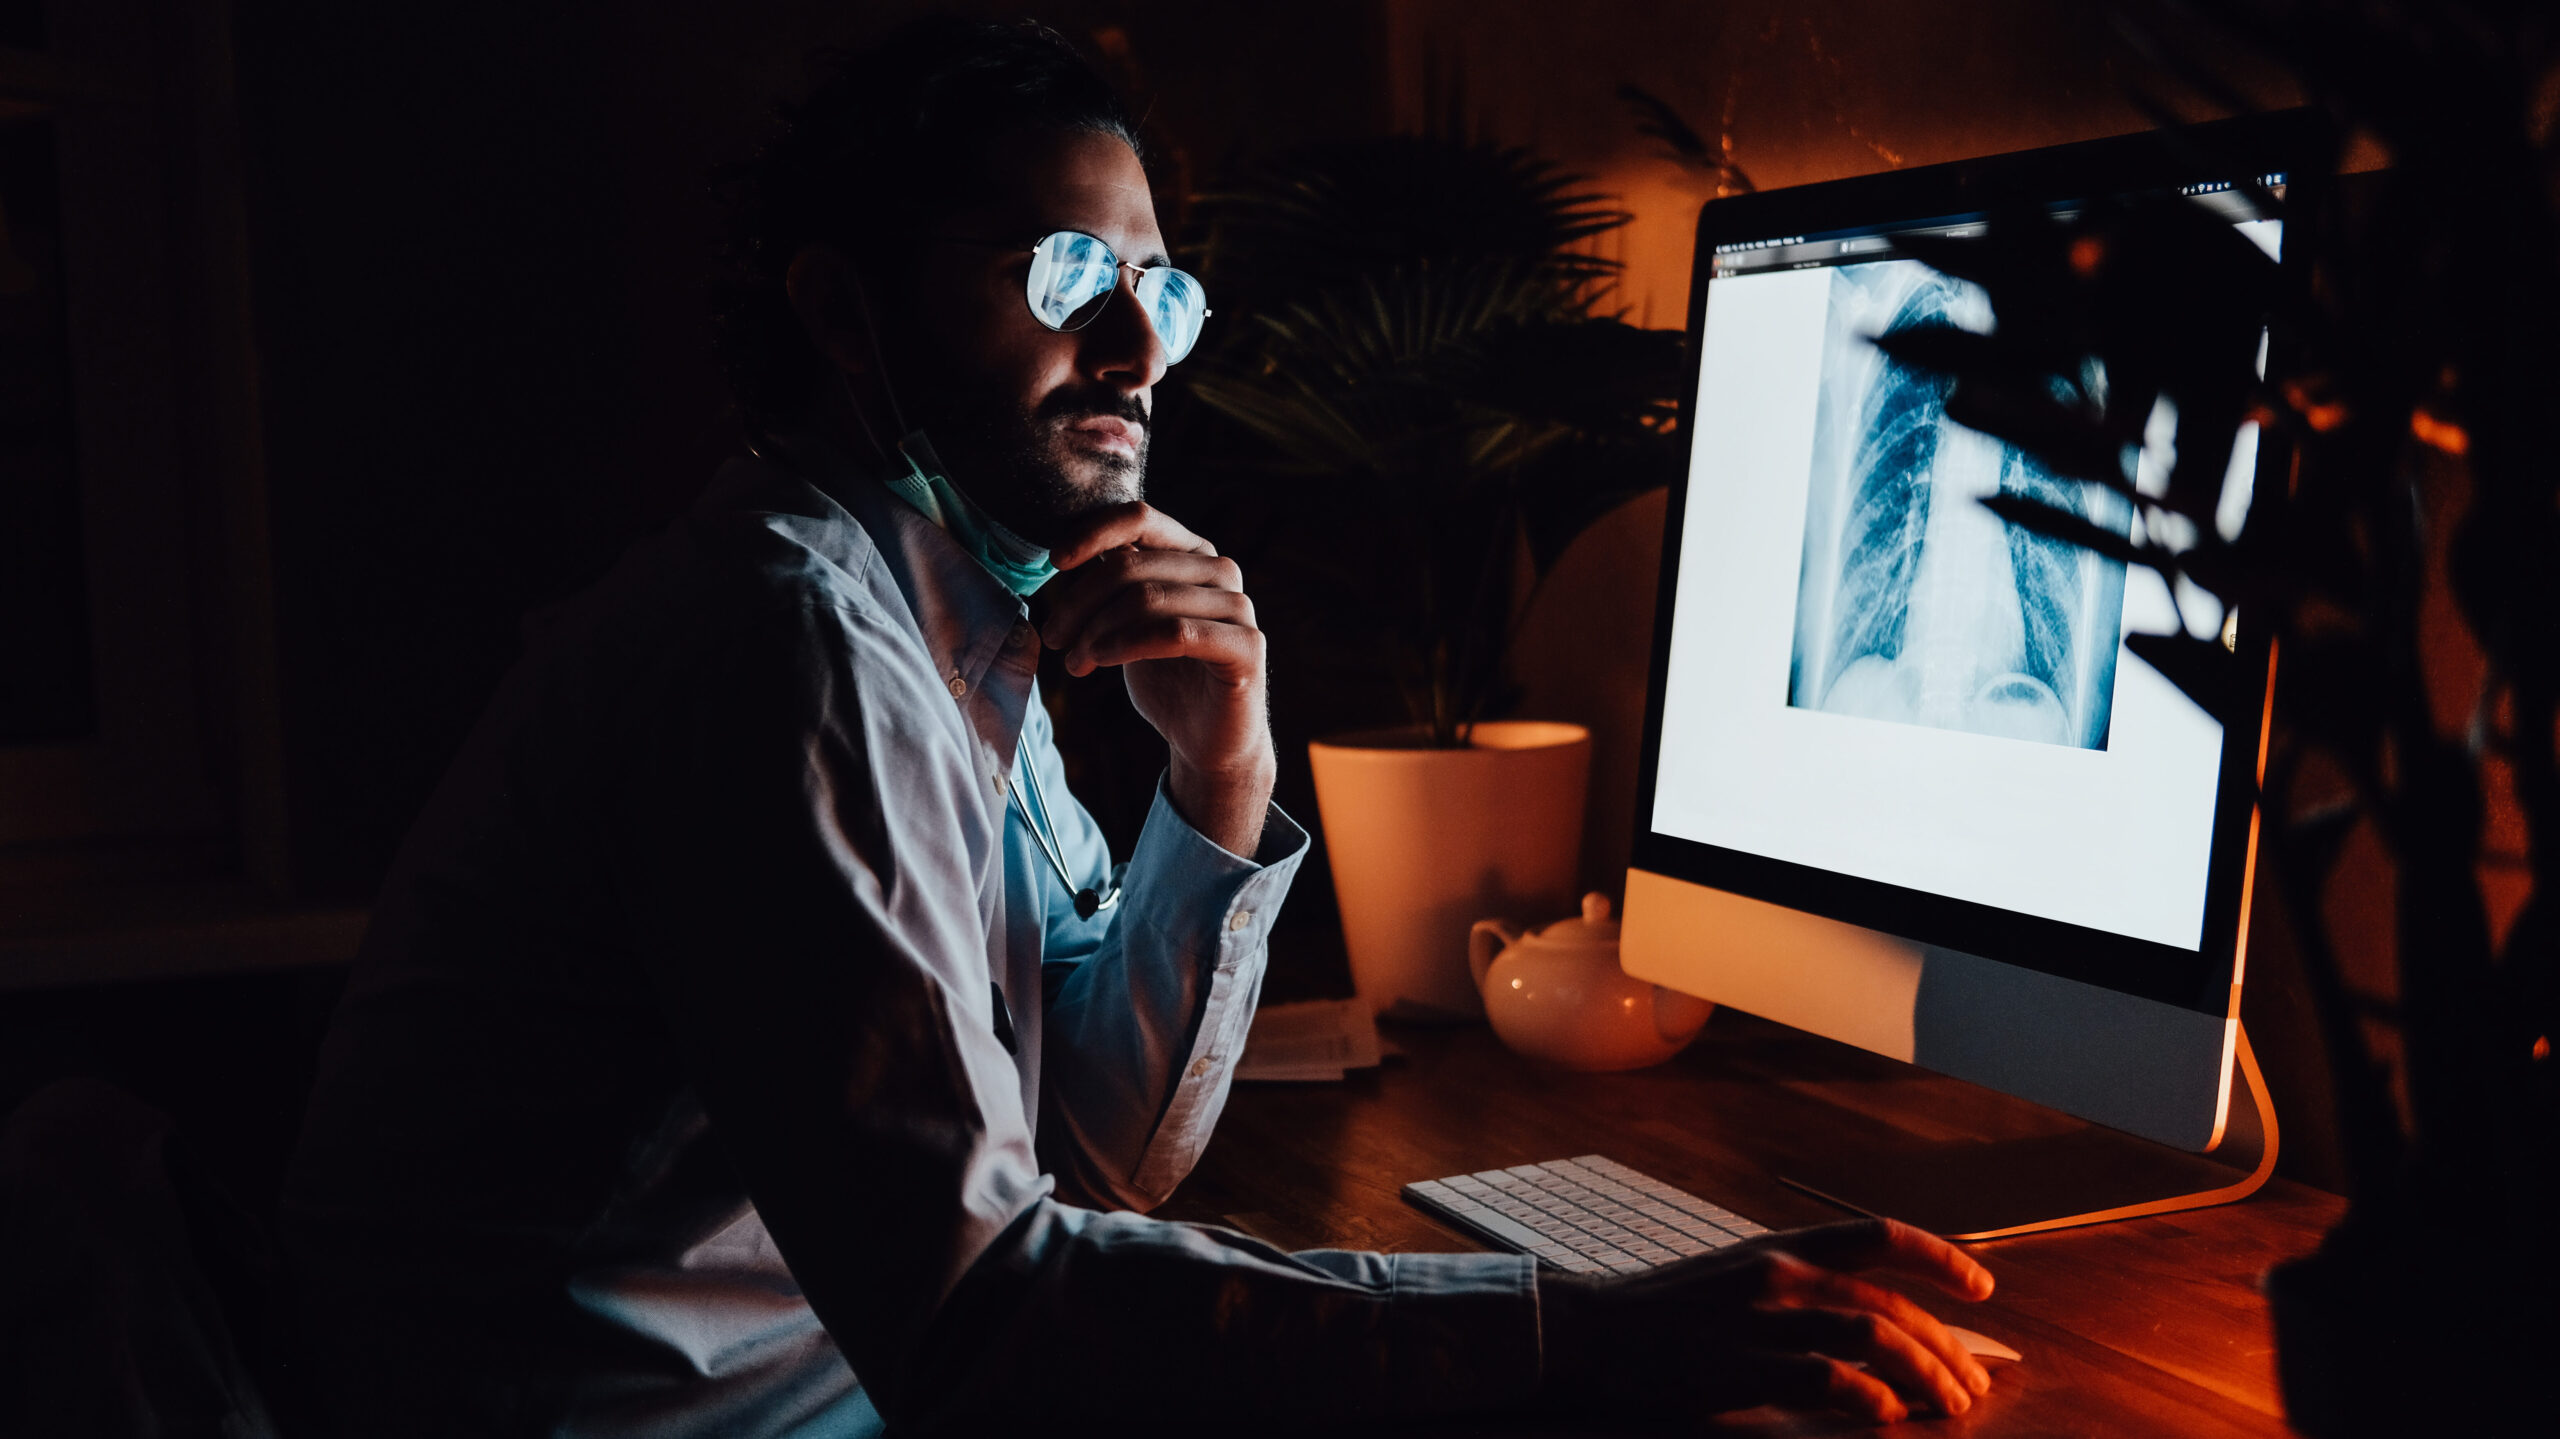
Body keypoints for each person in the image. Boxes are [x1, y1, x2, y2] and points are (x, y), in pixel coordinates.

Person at [281, 17, 1997, 1436]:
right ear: (839, 309)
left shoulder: (953, 617)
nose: (1132, 348)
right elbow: (987, 1328)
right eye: (1062, 273)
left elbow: (1092, 1167)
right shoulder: (789, 640)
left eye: (1158, 291)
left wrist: (1217, 778)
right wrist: (1580, 1336)